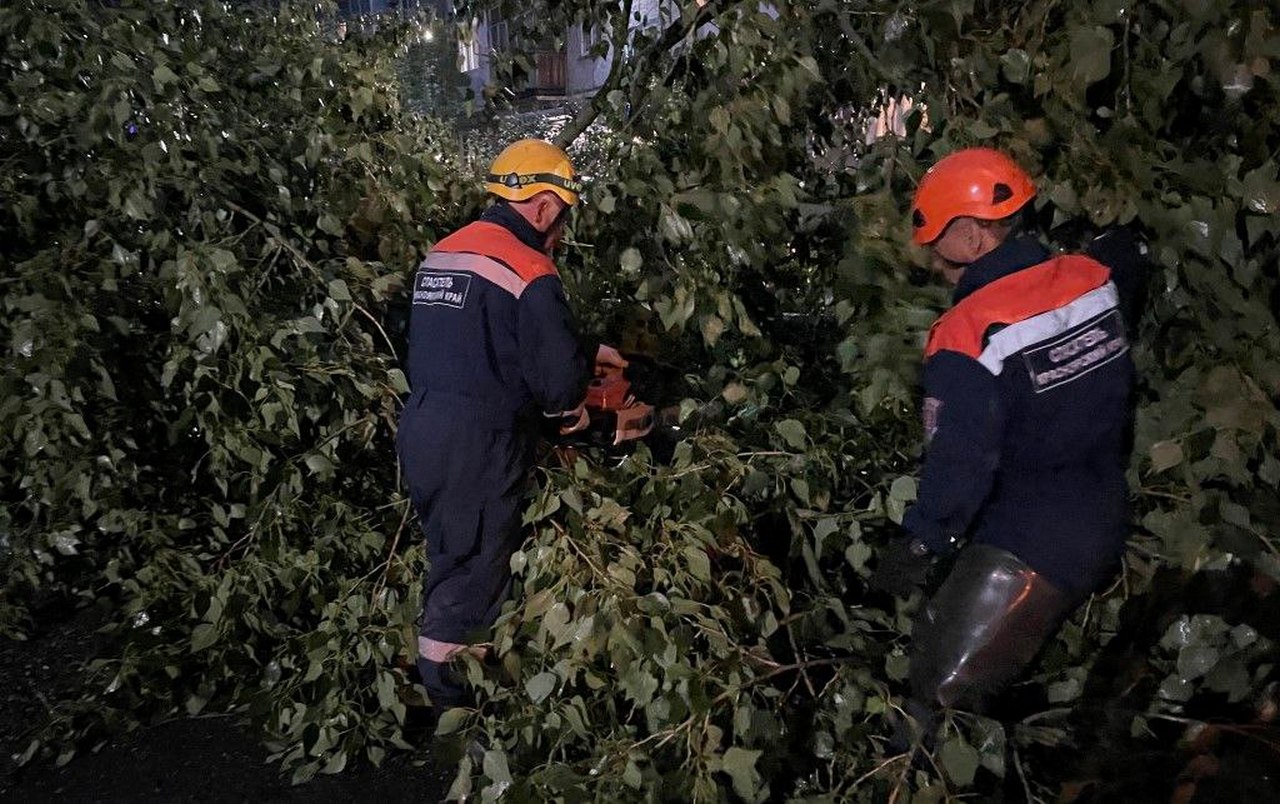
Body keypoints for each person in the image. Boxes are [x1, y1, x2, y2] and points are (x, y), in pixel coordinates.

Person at [870, 147, 1146, 725]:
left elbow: (960, 461)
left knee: (940, 701)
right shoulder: (1092, 278)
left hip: (1029, 541)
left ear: (972, 235)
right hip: (1104, 512)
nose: (934, 265)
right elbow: (1128, 254)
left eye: (937, 247)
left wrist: (922, 542)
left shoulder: (967, 334)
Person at [397, 139, 626, 709]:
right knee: (473, 574)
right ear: (545, 206)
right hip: (480, 444)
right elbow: (556, 386)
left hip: (423, 426)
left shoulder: (444, 255)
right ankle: (460, 711)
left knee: (451, 554)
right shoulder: (530, 267)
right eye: (563, 218)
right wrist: (572, 408)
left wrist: (586, 347)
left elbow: (480, 335)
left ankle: (451, 684)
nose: (562, 234)